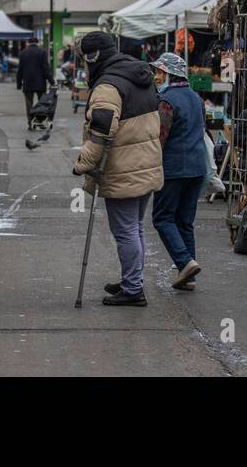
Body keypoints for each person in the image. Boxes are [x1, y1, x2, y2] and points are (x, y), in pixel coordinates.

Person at [72, 32, 163, 307]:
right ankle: (131, 280)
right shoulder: (138, 74)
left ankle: (133, 289)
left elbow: (101, 130)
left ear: (92, 57)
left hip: (123, 166)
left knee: (125, 230)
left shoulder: (108, 86)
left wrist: (83, 164)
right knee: (134, 228)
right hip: (145, 163)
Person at [149, 52, 208, 291]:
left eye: (159, 72)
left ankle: (185, 262)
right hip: (197, 167)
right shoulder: (196, 98)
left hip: (174, 168)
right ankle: (189, 276)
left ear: (167, 74)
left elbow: (160, 138)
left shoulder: (166, 101)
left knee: (162, 218)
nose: (155, 76)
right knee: (184, 221)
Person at [17, 37, 51, 114]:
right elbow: (46, 68)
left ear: (28, 43)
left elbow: (20, 70)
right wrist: (51, 81)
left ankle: (30, 121)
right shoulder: (42, 52)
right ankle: (40, 119)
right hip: (40, 82)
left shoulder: (23, 53)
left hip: (27, 82)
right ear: (37, 43)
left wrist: (19, 84)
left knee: (29, 103)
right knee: (41, 102)